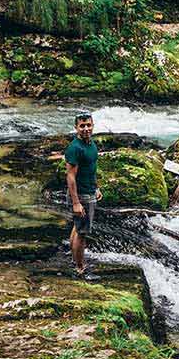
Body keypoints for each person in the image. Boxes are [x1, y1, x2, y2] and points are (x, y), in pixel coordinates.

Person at [65, 112, 102, 280]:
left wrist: (97, 187)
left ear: (93, 125)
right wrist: (76, 203)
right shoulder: (75, 148)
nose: (86, 128)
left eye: (88, 125)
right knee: (82, 233)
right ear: (76, 128)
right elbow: (71, 177)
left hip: (89, 191)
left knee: (77, 227)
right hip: (81, 196)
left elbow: (92, 168)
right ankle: (80, 268)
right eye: (82, 126)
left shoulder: (91, 144)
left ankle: (75, 260)